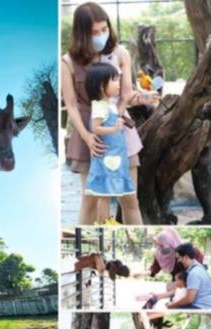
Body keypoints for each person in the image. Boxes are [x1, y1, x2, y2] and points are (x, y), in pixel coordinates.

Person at [61, 2, 158, 225]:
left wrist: (141, 99)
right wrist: (88, 136)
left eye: (104, 29)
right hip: (90, 138)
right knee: (90, 201)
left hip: (120, 135)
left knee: (130, 199)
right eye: (94, 32)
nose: (101, 35)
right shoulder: (68, 62)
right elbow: (72, 105)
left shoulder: (120, 53)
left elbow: (127, 94)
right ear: (81, 34)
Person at [84, 62, 136, 222]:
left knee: (109, 193)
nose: (118, 83)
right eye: (114, 80)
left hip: (116, 156)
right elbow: (96, 127)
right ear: (101, 86)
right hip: (107, 156)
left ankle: (108, 220)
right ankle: (103, 223)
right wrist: (113, 129)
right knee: (104, 195)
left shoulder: (111, 105)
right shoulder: (100, 106)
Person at [150, 243, 211, 309]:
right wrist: (159, 296)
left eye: (179, 258)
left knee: (170, 307)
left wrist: (172, 305)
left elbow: (189, 299)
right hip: (204, 304)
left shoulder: (194, 273)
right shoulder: (195, 267)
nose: (178, 261)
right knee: (171, 302)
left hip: (204, 307)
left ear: (185, 257)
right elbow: (181, 289)